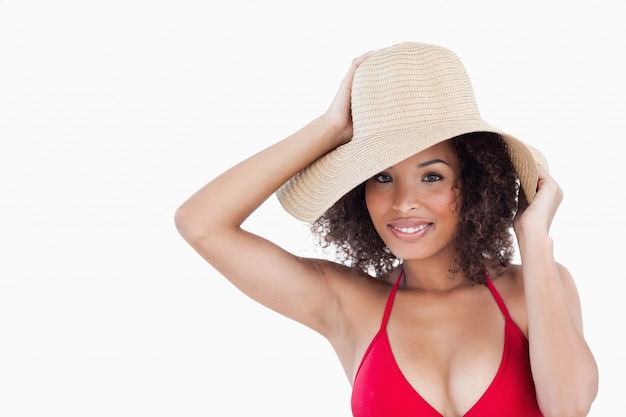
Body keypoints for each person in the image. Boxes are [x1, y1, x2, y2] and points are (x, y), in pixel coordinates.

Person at [174, 42, 598, 416]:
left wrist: (534, 238)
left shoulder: (538, 286)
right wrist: (329, 129)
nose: (402, 202)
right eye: (381, 177)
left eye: (431, 176)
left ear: (475, 183)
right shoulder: (349, 302)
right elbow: (201, 223)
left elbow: (569, 407)